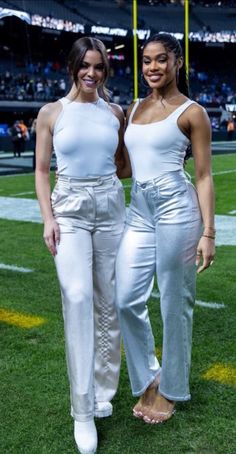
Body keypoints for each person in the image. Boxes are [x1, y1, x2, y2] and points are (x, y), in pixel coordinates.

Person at [35, 37, 130, 454]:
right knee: (77, 297)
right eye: (85, 66)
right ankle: (82, 411)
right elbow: (40, 170)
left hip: (111, 205)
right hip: (69, 208)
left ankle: (103, 392)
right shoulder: (51, 113)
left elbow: (124, 165)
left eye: (100, 68)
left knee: (110, 302)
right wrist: (48, 218)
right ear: (72, 67)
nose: (92, 74)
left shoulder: (114, 113)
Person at [116, 33, 215, 425]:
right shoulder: (133, 107)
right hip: (138, 208)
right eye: (146, 61)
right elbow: (124, 167)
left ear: (177, 63)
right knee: (126, 298)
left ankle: (171, 388)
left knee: (175, 301)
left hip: (177, 205)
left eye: (160, 60)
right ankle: (147, 375)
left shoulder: (193, 112)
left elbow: (205, 176)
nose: (152, 68)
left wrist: (209, 232)